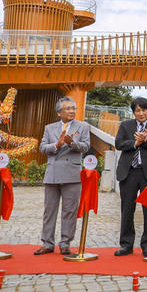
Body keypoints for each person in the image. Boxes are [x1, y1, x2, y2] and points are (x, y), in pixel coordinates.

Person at [35, 96, 90, 255]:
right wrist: (57, 144)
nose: (72, 111)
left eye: (73, 108)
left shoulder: (83, 126)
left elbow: (86, 147)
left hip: (72, 174)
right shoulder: (49, 128)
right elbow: (42, 148)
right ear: (59, 112)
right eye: (68, 108)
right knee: (49, 211)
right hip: (52, 173)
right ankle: (47, 243)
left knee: (69, 211)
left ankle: (65, 243)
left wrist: (71, 143)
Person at [114, 97, 147, 258]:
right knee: (127, 209)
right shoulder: (125, 125)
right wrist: (134, 143)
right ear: (133, 112)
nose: (141, 113)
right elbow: (118, 144)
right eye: (137, 110)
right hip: (129, 172)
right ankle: (126, 245)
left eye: (144, 110)